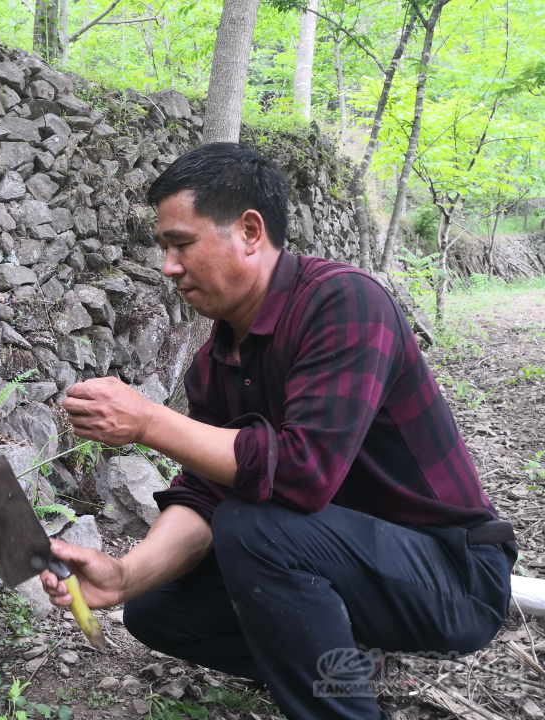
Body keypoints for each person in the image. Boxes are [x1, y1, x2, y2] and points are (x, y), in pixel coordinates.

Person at [40, 142, 515, 720]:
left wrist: (148, 422)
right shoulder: (215, 364)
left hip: (452, 576)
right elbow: (206, 494)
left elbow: (301, 471)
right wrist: (125, 576)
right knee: (157, 608)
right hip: (347, 568)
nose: (169, 266)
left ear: (248, 230)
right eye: (164, 247)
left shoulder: (345, 303)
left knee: (256, 526)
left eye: (182, 244)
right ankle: (347, 675)